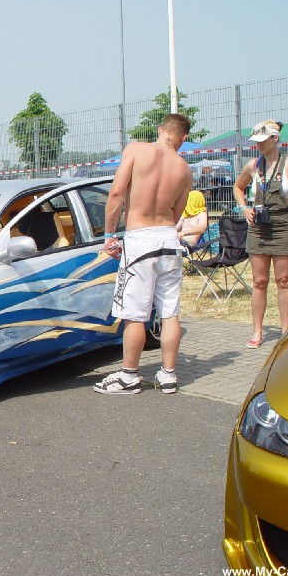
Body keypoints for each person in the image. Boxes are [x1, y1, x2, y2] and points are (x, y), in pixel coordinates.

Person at [94, 113, 193, 395]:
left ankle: (128, 376)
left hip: (140, 239)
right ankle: (169, 375)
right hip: (168, 239)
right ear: (183, 138)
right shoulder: (184, 169)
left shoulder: (136, 149)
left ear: (160, 129)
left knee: (135, 315)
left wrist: (109, 235)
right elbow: (176, 213)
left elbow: (116, 193)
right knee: (170, 312)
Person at [232, 120, 288, 349]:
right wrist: (244, 208)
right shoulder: (252, 165)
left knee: (284, 280)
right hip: (258, 226)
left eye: (263, 140)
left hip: (284, 225)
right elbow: (237, 187)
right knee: (259, 281)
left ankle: (286, 331)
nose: (259, 145)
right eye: (256, 141)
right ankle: (257, 331)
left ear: (275, 139)